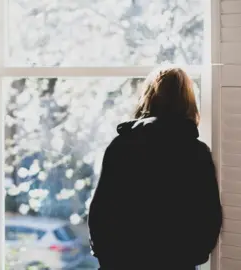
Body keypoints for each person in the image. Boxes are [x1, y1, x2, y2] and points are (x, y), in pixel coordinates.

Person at [88, 67, 222, 270]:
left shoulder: (121, 146)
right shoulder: (196, 152)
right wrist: (191, 257)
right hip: (175, 262)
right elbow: (209, 216)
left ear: (147, 98)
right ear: (188, 102)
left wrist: (107, 257)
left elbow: (100, 211)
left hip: (121, 260)